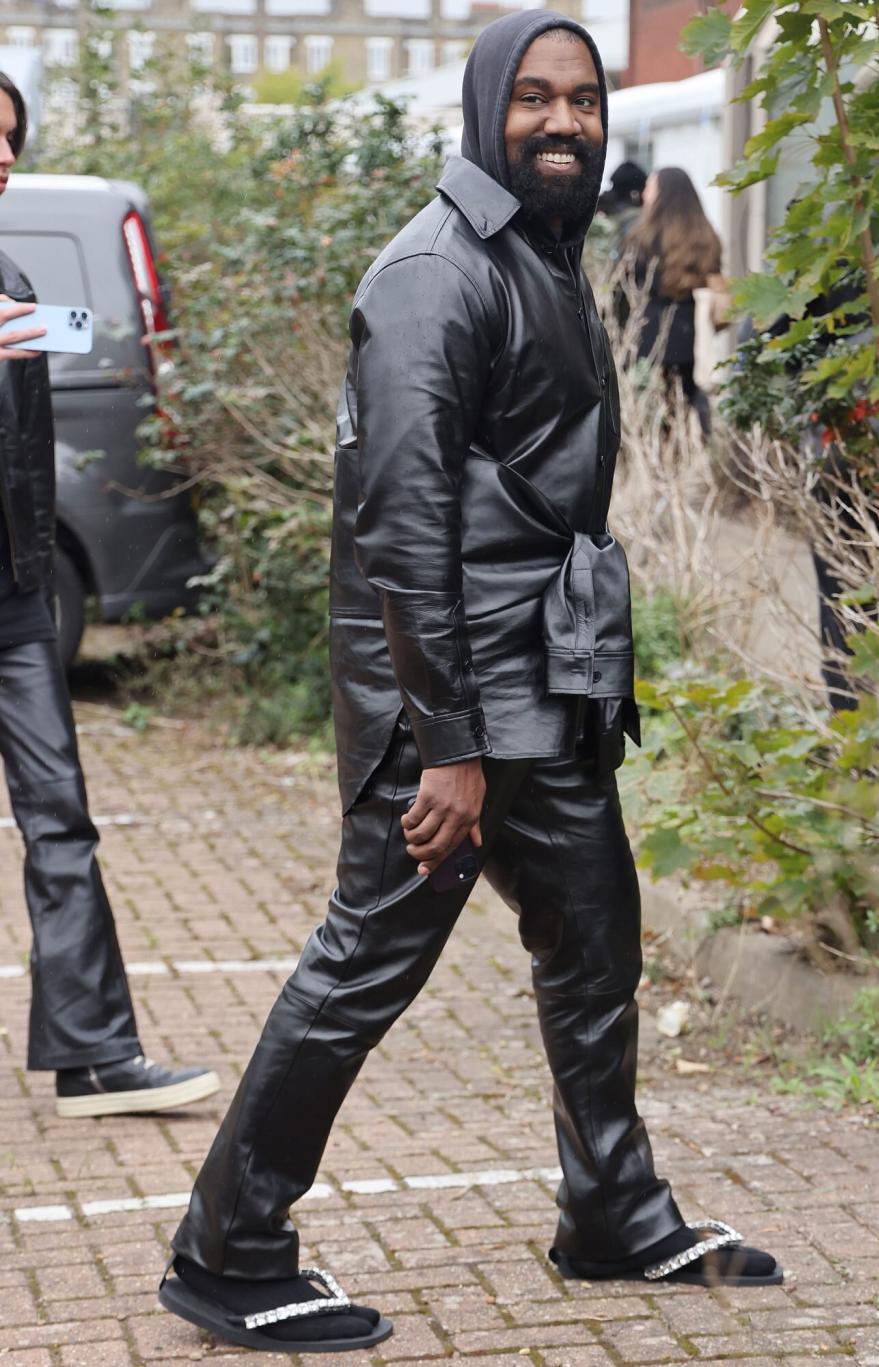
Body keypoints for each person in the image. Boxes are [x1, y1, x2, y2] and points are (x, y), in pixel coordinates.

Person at [158, 14, 781, 1354]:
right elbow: (402, 522)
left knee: (597, 930)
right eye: (536, 100)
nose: (564, 122)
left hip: (535, 686)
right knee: (367, 958)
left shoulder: (538, 255)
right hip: (440, 702)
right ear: (487, 106)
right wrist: (444, 741)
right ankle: (228, 1246)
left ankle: (611, 1206)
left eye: (582, 99)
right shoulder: (434, 274)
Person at [0, 72, 220, 1118]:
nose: (3, 153)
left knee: (61, 820)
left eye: (9, 136)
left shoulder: (8, 271)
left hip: (12, 601)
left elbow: (43, 410)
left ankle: (93, 1053)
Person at [620, 166, 723, 433]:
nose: (644, 194)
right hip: (692, 333)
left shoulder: (642, 237)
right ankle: (697, 451)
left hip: (651, 336)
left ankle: (663, 460)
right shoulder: (706, 236)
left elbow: (625, 287)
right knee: (690, 398)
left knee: (655, 408)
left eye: (650, 188)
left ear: (663, 194)